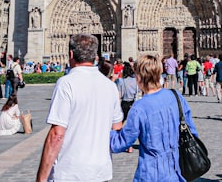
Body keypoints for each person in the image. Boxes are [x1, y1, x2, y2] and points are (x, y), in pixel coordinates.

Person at [36, 34, 123, 182]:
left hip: (70, 172)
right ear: (96, 56)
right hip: (101, 172)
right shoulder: (110, 86)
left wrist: (41, 179)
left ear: (71, 54)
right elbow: (117, 128)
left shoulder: (66, 83)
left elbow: (57, 134)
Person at [110, 54, 201, 181]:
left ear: (139, 77)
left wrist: (101, 133)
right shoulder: (176, 97)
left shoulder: (139, 108)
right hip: (177, 173)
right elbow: (192, 132)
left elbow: (121, 143)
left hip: (151, 174)